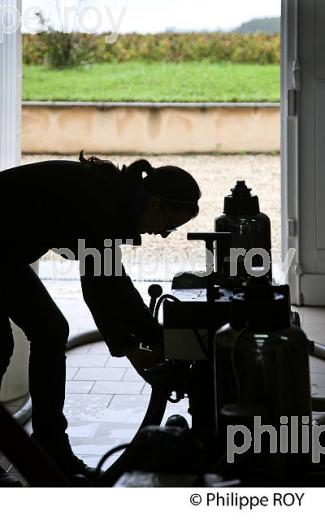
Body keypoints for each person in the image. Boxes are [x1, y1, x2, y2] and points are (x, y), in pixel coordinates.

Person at [0, 153, 201, 486]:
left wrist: (154, 336)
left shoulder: (115, 198)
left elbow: (113, 278)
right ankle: (50, 448)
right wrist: (131, 349)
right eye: (168, 226)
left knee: (48, 330)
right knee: (22, 338)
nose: (162, 235)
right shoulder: (104, 205)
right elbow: (98, 285)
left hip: (5, 252)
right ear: (154, 205)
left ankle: (50, 448)